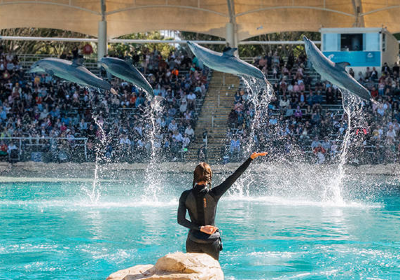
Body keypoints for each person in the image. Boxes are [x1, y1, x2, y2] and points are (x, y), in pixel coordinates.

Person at [177, 152, 268, 260]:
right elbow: (234, 176)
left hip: (193, 241)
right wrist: (250, 159)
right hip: (211, 242)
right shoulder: (215, 193)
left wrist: (200, 228)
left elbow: (181, 220)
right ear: (209, 177)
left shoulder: (185, 195)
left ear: (195, 177)